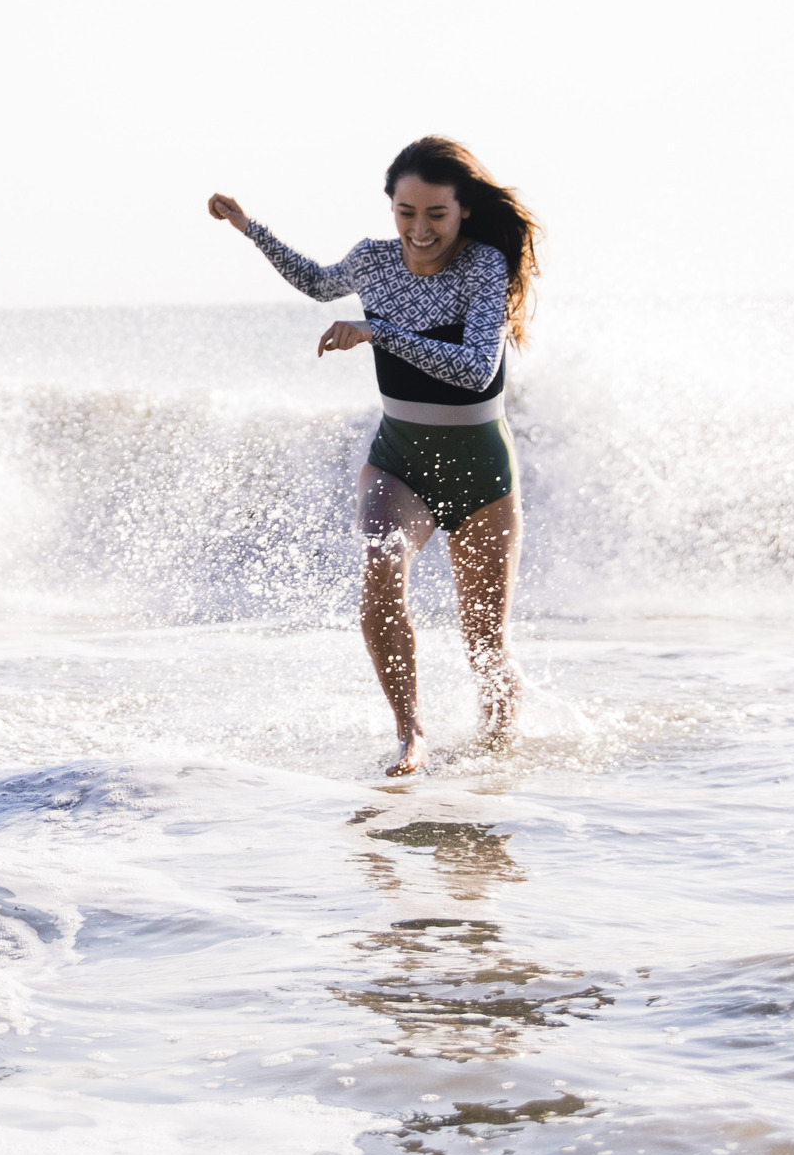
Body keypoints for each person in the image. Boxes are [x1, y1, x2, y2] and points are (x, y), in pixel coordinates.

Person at [208, 139, 543, 776]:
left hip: (482, 473)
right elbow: (315, 282)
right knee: (380, 565)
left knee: (485, 643)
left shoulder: (484, 268)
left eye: (436, 215)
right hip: (400, 461)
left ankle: (500, 756)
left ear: (464, 210)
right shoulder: (372, 262)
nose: (419, 230)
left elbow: (475, 372)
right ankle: (410, 733)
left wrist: (378, 332)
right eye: (405, 212)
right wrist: (250, 228)